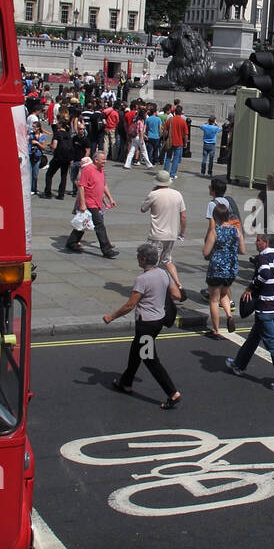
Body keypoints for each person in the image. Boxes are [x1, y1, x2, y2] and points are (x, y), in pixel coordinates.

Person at [103, 243, 182, 410]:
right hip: (158, 322)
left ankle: (173, 393)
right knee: (135, 352)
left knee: (149, 359)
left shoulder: (142, 279)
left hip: (146, 324)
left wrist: (111, 316)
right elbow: (176, 294)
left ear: (144, 259)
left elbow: (130, 305)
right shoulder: (163, 273)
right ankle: (126, 382)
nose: (137, 259)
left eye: (138, 256)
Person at [226, 233, 274, 391]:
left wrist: (251, 287)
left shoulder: (263, 259)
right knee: (254, 338)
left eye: (258, 240)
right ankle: (239, 364)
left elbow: (264, 274)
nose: (256, 243)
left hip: (265, 308)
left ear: (265, 243)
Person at [139, 169, 187, 290]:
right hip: (172, 234)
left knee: (151, 262)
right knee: (167, 260)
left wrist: (152, 192)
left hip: (157, 234)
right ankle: (178, 284)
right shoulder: (177, 194)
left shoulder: (154, 194)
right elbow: (183, 215)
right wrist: (182, 232)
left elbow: (143, 209)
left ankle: (148, 287)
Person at [68, 151, 120, 257]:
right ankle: (106, 250)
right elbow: (81, 186)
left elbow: (104, 184)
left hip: (97, 202)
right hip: (89, 202)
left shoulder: (101, 169)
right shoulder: (88, 169)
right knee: (99, 225)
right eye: (103, 159)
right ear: (96, 160)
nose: (105, 161)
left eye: (105, 159)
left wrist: (110, 198)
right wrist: (82, 203)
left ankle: (71, 242)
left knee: (84, 222)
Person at [202, 203, 239, 337]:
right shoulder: (235, 230)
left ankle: (216, 329)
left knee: (214, 299)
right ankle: (229, 315)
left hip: (217, 269)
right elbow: (242, 250)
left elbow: (206, 252)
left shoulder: (215, 231)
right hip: (231, 269)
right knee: (224, 294)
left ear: (215, 217)